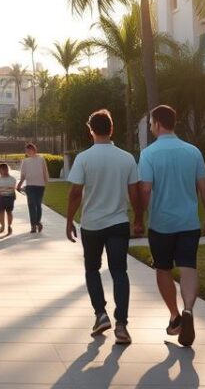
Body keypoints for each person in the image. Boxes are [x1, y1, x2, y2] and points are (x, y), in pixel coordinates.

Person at [137, 104, 205, 347]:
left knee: (163, 269)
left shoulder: (149, 154)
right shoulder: (192, 151)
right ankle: (189, 309)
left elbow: (146, 189)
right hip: (189, 223)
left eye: (151, 123)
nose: (150, 127)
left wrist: (139, 218)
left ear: (158, 123)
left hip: (161, 224)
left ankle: (174, 316)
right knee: (188, 267)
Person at [65, 109, 142, 344]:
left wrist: (69, 220)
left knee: (92, 270)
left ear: (91, 130)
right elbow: (135, 192)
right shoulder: (126, 158)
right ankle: (121, 325)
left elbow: (75, 193)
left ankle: (100, 314)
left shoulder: (84, 158)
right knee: (120, 272)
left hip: (92, 225)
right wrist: (139, 219)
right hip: (119, 223)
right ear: (111, 129)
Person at [16, 142, 48, 233]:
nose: (28, 152)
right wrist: (19, 184)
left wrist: (46, 182)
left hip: (40, 186)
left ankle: (38, 222)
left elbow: (45, 171)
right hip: (29, 186)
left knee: (38, 205)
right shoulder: (25, 161)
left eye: (30, 150)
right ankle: (33, 226)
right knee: (31, 205)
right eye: (27, 151)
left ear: (34, 150)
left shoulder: (41, 159)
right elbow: (23, 175)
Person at [0, 163, 17, 235]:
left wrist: (14, 196)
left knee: (9, 212)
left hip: (10, 197)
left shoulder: (12, 179)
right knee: (1, 212)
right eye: (0, 170)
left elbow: (13, 189)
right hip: (1, 197)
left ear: (7, 169)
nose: (2, 172)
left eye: (3, 170)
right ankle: (2, 226)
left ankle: (9, 226)